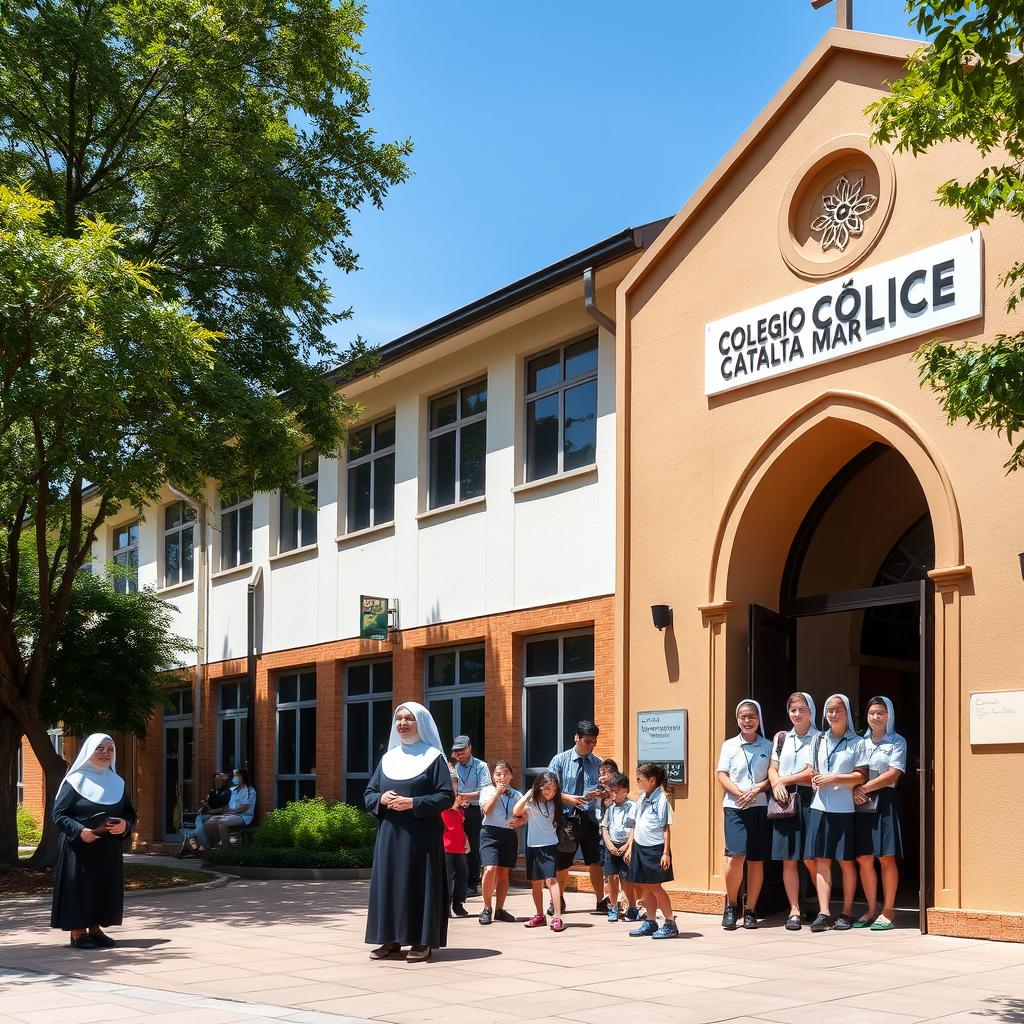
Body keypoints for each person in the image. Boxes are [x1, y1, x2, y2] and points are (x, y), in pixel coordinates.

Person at [365, 702, 455, 963]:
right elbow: (369, 793)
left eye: (409, 719)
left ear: (421, 724)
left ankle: (421, 941)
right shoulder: (388, 758)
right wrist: (381, 799)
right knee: (390, 884)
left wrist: (413, 803)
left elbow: (446, 797)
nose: (402, 723)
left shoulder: (433, 758)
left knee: (418, 885)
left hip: (421, 836)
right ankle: (390, 939)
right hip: (390, 835)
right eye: (399, 719)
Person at [51, 733, 136, 949]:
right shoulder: (75, 780)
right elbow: (59, 814)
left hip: (107, 848)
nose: (106, 753)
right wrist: (80, 831)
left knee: (102, 887)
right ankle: (77, 932)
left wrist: (125, 825)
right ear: (89, 751)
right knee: (80, 888)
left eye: (110, 749)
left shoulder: (117, 782)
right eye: (100, 748)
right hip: (80, 847)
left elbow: (128, 813)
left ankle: (95, 929)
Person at [806, 693, 869, 933]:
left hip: (844, 809)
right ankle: (823, 912)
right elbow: (814, 770)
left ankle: (847, 911)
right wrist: (815, 780)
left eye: (838, 710)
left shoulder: (857, 742)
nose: (833, 714)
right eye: (829, 710)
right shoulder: (818, 740)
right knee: (822, 861)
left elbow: (861, 776)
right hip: (820, 807)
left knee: (845, 861)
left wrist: (834, 778)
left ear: (848, 714)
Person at [716, 699, 772, 930]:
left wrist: (757, 789)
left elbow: (774, 775)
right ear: (737, 720)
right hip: (735, 806)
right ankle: (731, 905)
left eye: (752, 716)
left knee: (756, 859)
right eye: (743, 717)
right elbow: (721, 775)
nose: (747, 721)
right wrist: (740, 793)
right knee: (736, 856)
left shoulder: (768, 745)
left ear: (759, 719)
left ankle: (750, 909)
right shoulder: (729, 745)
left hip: (759, 806)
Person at [854, 696, 907, 932]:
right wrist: (856, 789)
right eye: (872, 713)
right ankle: (871, 908)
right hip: (862, 802)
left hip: (885, 799)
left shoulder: (897, 741)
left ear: (890, 716)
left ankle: (889, 909)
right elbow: (854, 770)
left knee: (886, 856)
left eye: (881, 713)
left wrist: (863, 787)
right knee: (864, 857)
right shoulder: (860, 743)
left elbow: (894, 773)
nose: (876, 717)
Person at [768, 692, 820, 931]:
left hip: (810, 799)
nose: (797, 714)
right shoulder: (781, 738)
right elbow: (772, 768)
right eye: (793, 710)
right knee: (789, 859)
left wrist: (783, 780)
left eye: (802, 709)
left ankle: (822, 906)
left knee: (810, 858)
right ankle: (794, 910)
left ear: (811, 711)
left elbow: (812, 772)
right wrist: (777, 783)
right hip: (784, 800)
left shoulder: (819, 738)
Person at [547, 720, 608, 914]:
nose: (590, 746)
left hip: (590, 818)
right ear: (577, 738)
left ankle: (601, 901)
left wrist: (601, 793)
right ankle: (558, 900)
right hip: (567, 818)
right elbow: (548, 789)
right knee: (564, 862)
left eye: (594, 742)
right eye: (587, 741)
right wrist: (568, 798)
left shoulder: (598, 763)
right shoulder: (559, 760)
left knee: (595, 861)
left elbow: (607, 789)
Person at [624, 763, 677, 939]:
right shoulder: (641, 799)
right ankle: (650, 921)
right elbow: (634, 823)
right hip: (640, 847)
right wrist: (630, 846)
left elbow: (665, 828)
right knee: (645, 886)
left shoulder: (662, 800)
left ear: (652, 781)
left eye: (640, 779)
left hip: (655, 850)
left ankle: (670, 923)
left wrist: (665, 853)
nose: (637, 782)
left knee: (655, 887)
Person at [513, 771, 566, 932]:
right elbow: (516, 810)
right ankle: (539, 915)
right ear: (540, 787)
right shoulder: (531, 803)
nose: (551, 792)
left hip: (549, 846)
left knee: (551, 880)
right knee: (536, 883)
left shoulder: (554, 804)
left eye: (554, 789)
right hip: (533, 846)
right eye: (548, 788)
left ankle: (557, 916)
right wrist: (529, 793)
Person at [477, 759, 523, 925]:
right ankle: (486, 908)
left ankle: (499, 909)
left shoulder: (516, 794)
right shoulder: (487, 791)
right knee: (490, 869)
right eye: (498, 774)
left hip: (509, 834)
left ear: (510, 775)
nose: (502, 777)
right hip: (490, 832)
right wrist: (497, 792)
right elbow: (486, 811)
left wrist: (521, 821)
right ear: (493, 776)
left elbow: (524, 814)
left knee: (504, 873)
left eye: (505, 773)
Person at [450, 735, 491, 896]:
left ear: (470, 748)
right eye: (456, 752)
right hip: (457, 809)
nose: (459, 754)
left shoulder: (481, 766)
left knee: (472, 847)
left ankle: (472, 884)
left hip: (474, 811)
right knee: (457, 846)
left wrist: (466, 796)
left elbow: (486, 789)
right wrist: (459, 798)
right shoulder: (455, 767)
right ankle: (459, 882)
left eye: (462, 750)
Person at [601, 772, 639, 922]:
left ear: (625, 791)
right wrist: (609, 844)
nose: (614, 795)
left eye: (617, 791)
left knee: (626, 878)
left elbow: (632, 828)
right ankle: (613, 907)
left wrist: (626, 846)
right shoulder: (610, 808)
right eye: (612, 791)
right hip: (612, 845)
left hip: (626, 846)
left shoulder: (632, 806)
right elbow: (604, 828)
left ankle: (632, 907)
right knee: (611, 877)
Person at [441, 769, 470, 918]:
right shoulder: (444, 803)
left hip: (458, 847)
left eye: (456, 786)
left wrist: (466, 839)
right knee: (448, 877)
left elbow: (461, 826)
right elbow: (447, 806)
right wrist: (456, 803)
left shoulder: (459, 809)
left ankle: (458, 904)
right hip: (446, 847)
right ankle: (445, 906)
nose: (455, 789)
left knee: (462, 876)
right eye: (452, 785)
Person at [204, 768, 256, 848]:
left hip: (243, 817)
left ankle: (226, 849)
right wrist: (225, 812)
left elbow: (245, 807)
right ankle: (215, 847)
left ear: (243, 778)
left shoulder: (250, 791)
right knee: (208, 824)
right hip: (231, 815)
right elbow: (229, 806)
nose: (235, 778)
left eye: (237, 776)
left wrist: (231, 811)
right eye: (234, 776)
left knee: (222, 823)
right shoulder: (233, 791)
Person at [186, 770, 232, 855]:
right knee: (193, 823)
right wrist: (203, 802)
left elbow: (226, 807)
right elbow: (208, 802)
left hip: (219, 815)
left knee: (198, 821)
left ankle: (204, 846)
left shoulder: (227, 791)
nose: (217, 781)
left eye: (219, 779)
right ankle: (198, 846)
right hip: (209, 814)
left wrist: (214, 811)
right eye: (215, 779)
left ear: (222, 780)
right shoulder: (213, 791)